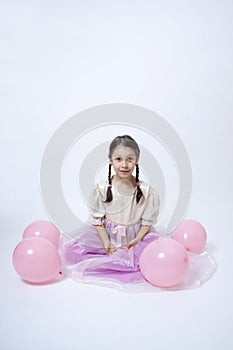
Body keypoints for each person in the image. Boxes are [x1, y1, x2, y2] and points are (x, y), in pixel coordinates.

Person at [59, 135, 161, 289]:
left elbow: (147, 221)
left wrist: (137, 240)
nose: (124, 165)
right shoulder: (102, 189)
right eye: (119, 159)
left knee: (147, 259)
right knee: (76, 251)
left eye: (130, 159)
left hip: (135, 237)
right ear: (110, 160)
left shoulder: (147, 191)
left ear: (137, 160)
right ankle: (106, 254)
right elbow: (98, 220)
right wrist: (106, 241)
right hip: (106, 236)